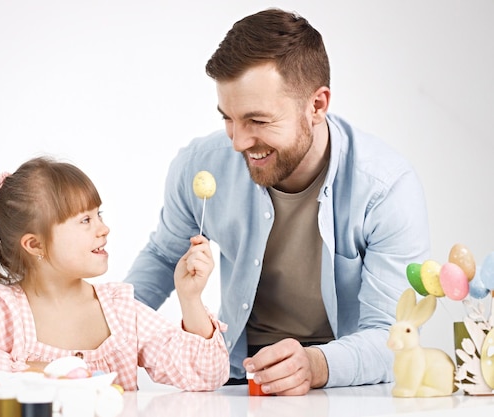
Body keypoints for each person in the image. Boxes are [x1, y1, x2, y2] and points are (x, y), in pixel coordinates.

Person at [125, 8, 430, 396]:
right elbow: (161, 258)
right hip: (234, 374)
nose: (237, 142)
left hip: (343, 385)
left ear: (317, 106)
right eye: (228, 119)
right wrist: (99, 331)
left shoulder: (386, 188)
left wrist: (317, 364)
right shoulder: (200, 164)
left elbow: (392, 336)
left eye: (257, 121)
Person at [0, 156, 229, 400]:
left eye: (99, 214)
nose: (103, 228)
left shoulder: (119, 311)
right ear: (35, 245)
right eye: (85, 220)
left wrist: (190, 299)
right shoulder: (3, 309)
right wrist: (53, 374)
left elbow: (208, 375)